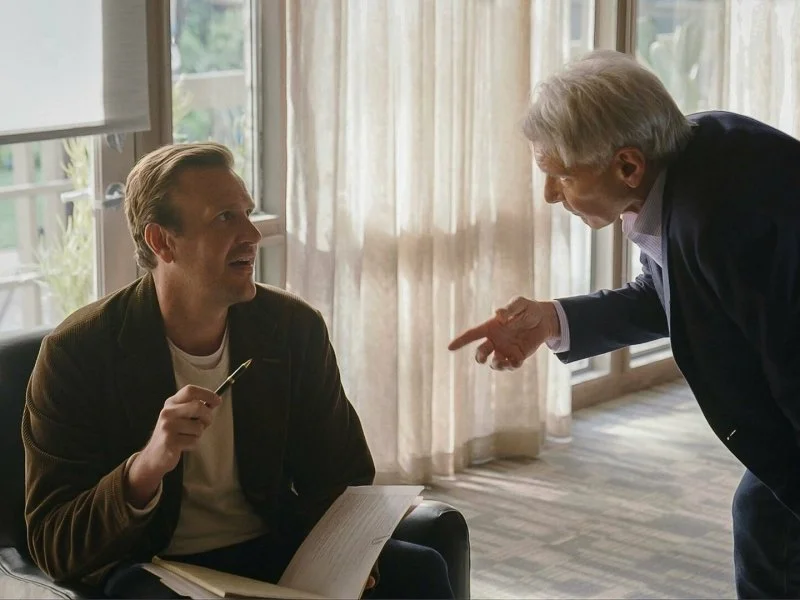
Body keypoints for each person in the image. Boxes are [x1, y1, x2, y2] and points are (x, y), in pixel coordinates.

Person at [23, 142, 454, 599]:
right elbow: (53, 542)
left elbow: (340, 475)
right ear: (162, 241)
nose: (252, 233)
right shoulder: (77, 352)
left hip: (272, 547)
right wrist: (146, 467)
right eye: (225, 217)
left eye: (247, 213)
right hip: (154, 565)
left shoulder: (292, 328)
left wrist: (351, 559)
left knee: (421, 572)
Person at [448, 49, 800, 599]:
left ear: (627, 165)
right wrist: (552, 319)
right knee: (763, 520)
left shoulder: (718, 216)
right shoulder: (686, 155)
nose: (549, 195)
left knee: (769, 525)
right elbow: (674, 294)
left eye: (561, 177)